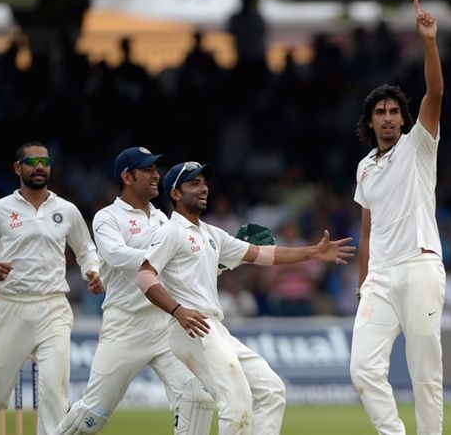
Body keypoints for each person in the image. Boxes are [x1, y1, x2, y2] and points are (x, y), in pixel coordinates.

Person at [133, 161, 355, 435]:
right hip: (191, 328)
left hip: (214, 328)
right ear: (176, 194)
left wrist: (313, 252)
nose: (203, 188)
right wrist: (178, 311)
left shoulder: (212, 234)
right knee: (236, 404)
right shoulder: (170, 231)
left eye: (203, 182)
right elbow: (144, 277)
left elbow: (265, 255)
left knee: (272, 390)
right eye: (194, 183)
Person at [54, 147, 215, 435]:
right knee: (92, 416)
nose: (156, 175)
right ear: (127, 176)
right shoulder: (107, 217)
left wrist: (225, 256)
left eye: (156, 169)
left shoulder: (163, 219)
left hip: (164, 323)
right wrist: (161, 257)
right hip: (125, 325)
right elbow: (116, 256)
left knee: (197, 397)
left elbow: (185, 262)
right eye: (148, 170)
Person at [350, 0, 445, 435]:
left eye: (394, 112)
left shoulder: (418, 146)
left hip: (420, 265)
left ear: (404, 119)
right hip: (381, 278)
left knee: (425, 373)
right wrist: (364, 277)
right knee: (363, 369)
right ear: (370, 121)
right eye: (380, 113)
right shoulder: (365, 167)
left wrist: (428, 45)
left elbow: (436, 93)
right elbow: (368, 227)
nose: (388, 119)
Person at [0, 141, 104, 435]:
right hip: (12, 307)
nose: (40, 167)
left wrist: (92, 270)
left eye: (45, 162)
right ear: (18, 168)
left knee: (54, 392)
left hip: (53, 306)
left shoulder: (66, 210)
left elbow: (86, 250)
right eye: (32, 162)